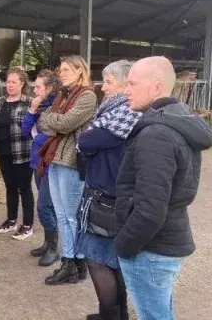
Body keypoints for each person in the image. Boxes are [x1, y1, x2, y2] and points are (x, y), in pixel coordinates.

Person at [114, 56, 212, 319]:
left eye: (133, 83)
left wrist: (124, 246)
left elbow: (150, 210)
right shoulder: (175, 120)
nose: (126, 90)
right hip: (164, 241)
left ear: (157, 87)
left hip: (151, 248)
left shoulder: (156, 134)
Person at [75, 60, 141, 320]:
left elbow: (86, 140)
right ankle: (119, 314)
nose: (103, 87)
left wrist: (87, 141)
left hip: (106, 198)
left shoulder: (124, 114)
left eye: (109, 81)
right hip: (117, 196)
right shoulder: (124, 113)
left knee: (97, 259)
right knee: (115, 261)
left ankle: (110, 315)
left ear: (127, 84)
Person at [37, 55, 97, 285]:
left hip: (71, 160)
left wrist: (53, 119)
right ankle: (70, 261)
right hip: (55, 158)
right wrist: (54, 119)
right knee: (62, 215)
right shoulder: (62, 95)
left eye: (65, 70)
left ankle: (76, 262)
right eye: (60, 70)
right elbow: (43, 124)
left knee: (72, 216)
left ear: (79, 71)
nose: (61, 74)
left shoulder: (87, 96)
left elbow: (64, 124)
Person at [21, 69, 59, 266]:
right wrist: (31, 111)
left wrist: (37, 137)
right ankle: (47, 243)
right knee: (46, 206)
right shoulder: (39, 106)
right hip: (37, 161)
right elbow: (25, 129)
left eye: (38, 86)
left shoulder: (55, 107)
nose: (34, 90)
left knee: (45, 206)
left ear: (50, 88)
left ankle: (54, 248)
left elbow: (53, 136)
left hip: (49, 162)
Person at [0, 66, 35, 240]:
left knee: (24, 188)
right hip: (4, 152)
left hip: (23, 153)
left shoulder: (30, 103)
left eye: (13, 82)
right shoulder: (1, 101)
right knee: (10, 187)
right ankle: (11, 221)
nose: (9, 85)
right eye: (8, 81)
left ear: (22, 84)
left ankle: (27, 225)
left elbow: (34, 128)